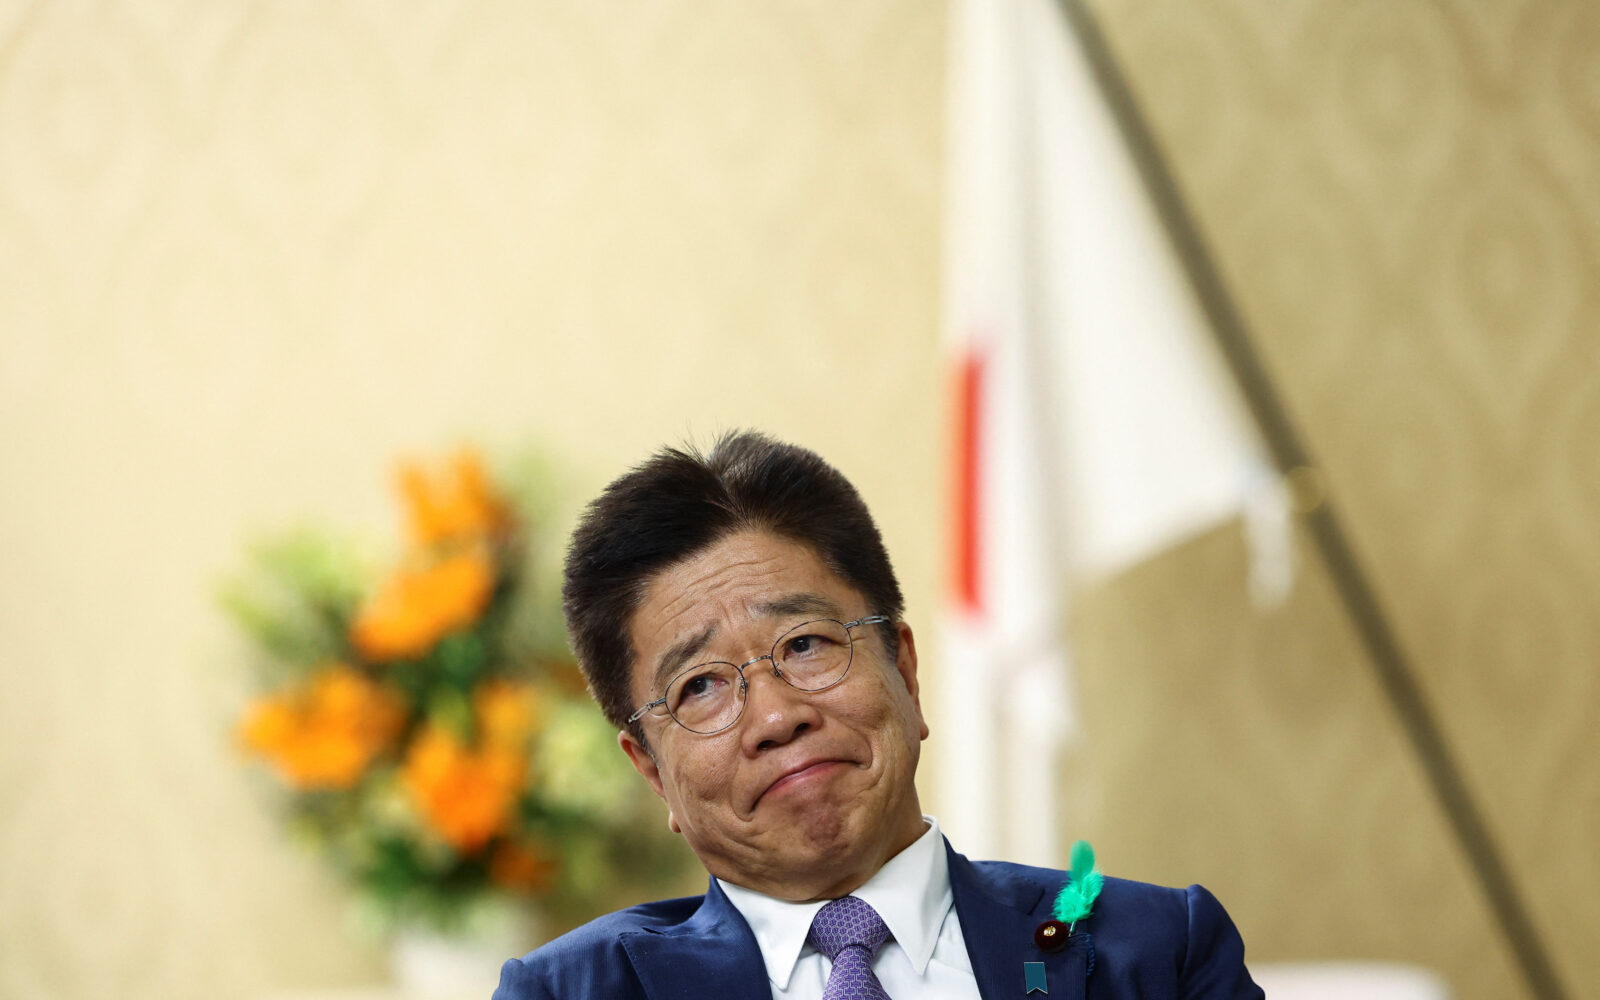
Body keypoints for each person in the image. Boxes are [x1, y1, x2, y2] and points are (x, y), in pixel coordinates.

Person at [493, 431, 1262, 1000]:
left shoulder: (1157, 953)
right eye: (700, 687)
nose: (777, 716)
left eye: (805, 644)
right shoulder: (572, 994)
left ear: (905, 669)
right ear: (652, 770)